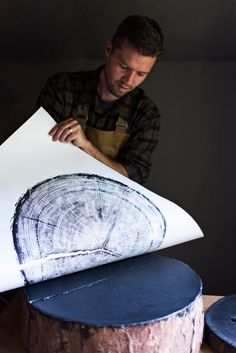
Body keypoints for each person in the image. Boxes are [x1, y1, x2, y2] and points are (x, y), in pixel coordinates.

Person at [38, 15, 164, 185]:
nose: (129, 81)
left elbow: (131, 179)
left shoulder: (146, 114)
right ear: (108, 50)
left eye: (141, 74)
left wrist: (87, 147)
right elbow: (39, 152)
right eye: (124, 67)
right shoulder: (61, 87)